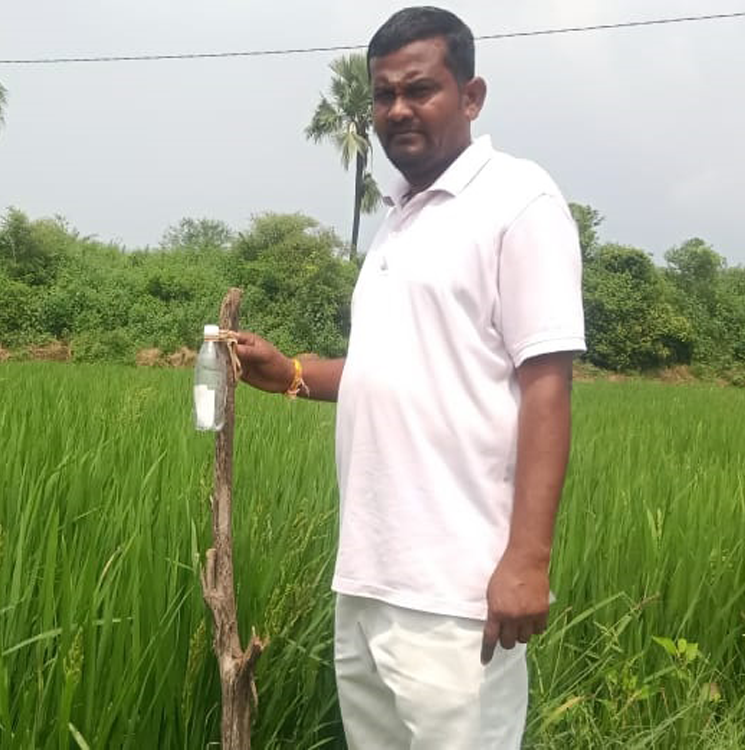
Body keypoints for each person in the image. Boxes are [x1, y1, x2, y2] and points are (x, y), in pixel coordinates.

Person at [235, 6, 585, 747]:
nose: (398, 109)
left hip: (458, 593)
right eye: (384, 94)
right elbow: (396, 369)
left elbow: (548, 385)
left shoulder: (518, 203)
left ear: (471, 95)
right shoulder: (398, 216)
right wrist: (292, 372)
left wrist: (527, 561)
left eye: (419, 89)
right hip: (367, 578)